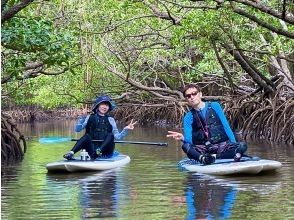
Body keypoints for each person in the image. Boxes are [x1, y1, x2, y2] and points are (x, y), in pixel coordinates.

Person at [167, 83, 247, 165]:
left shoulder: (215, 106)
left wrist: (233, 144)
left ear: (200, 94)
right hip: (203, 149)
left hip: (221, 146)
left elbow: (226, 127)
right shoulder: (188, 117)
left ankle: (216, 157)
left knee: (242, 146)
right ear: (186, 99)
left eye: (194, 93)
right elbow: (190, 141)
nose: (192, 97)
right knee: (185, 146)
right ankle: (203, 158)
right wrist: (182, 138)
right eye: (188, 96)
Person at [63, 95, 137, 160]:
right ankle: (71, 153)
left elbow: (117, 137)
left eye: (107, 105)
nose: (105, 107)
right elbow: (77, 130)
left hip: (105, 151)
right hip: (91, 150)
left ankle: (98, 151)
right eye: (103, 104)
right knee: (87, 136)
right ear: (97, 106)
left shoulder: (111, 120)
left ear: (109, 108)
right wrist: (82, 117)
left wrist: (125, 129)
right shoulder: (89, 117)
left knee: (110, 135)